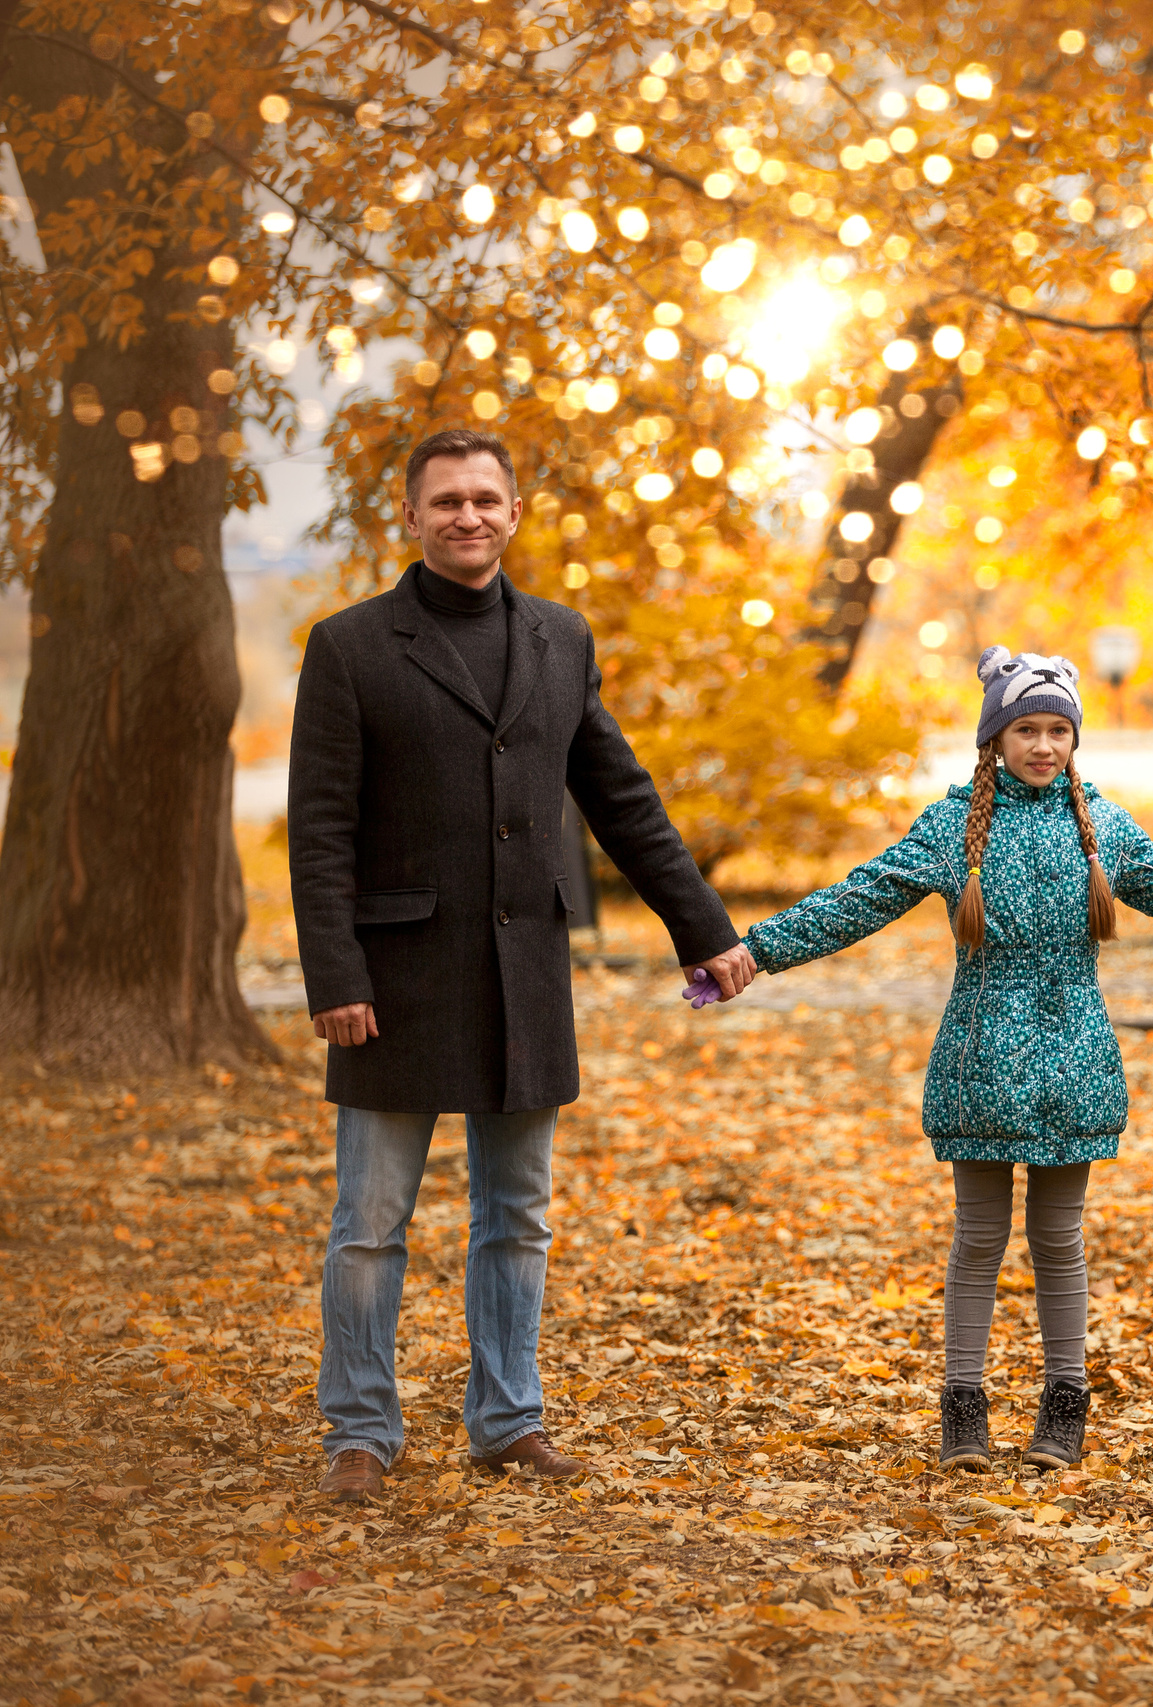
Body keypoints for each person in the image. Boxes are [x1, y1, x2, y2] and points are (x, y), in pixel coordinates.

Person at [289, 428, 756, 1503]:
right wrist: (335, 975)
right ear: (411, 515)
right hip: (392, 985)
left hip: (523, 978)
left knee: (519, 1218)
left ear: (513, 512)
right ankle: (359, 1430)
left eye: (486, 498)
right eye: (446, 499)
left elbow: (621, 797)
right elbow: (320, 829)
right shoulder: (351, 646)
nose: (468, 515)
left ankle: (507, 1420)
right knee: (367, 1226)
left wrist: (706, 931)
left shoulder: (559, 638)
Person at [741, 646, 1153, 1472]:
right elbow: (857, 899)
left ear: (1075, 739)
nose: (1043, 745)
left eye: (1058, 730)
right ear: (995, 738)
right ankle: (963, 1411)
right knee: (978, 1236)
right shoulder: (951, 829)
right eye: (1026, 729)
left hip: (1072, 1061)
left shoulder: (1105, 830)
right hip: (980, 1064)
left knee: (1058, 1236)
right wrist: (756, 950)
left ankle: (1063, 1408)